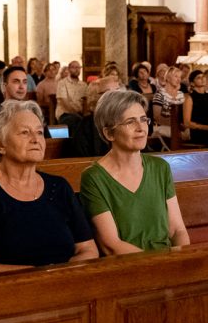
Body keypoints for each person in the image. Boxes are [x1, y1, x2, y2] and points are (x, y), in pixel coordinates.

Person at [0, 100, 98, 275]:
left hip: (66, 285)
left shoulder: (59, 187)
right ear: (0, 145)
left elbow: (88, 249)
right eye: (25, 132)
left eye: (39, 132)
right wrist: (37, 277)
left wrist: (61, 275)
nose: (35, 139)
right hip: (13, 292)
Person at [79, 90, 189, 254]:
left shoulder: (160, 167)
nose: (141, 128)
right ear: (109, 133)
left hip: (168, 263)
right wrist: (158, 266)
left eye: (143, 120)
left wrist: (183, 261)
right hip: (128, 267)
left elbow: (177, 230)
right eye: (130, 122)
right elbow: (111, 244)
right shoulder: (94, 178)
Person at [183, 69, 208, 147]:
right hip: (199, 131)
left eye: (203, 77)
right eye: (198, 77)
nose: (202, 79)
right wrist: (207, 128)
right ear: (192, 83)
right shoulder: (189, 98)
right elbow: (187, 123)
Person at [150, 65, 185, 145]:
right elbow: (157, 117)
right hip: (164, 126)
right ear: (168, 78)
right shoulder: (160, 94)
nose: (179, 79)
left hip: (181, 127)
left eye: (180, 77)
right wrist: (175, 125)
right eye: (176, 76)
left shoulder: (181, 94)